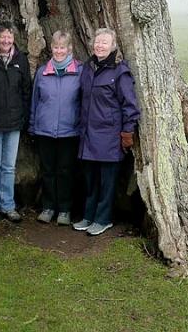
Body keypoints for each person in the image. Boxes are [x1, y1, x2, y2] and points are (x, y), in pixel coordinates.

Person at [73, 28, 140, 236]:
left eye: (104, 42)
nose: (99, 45)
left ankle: (103, 219)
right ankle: (89, 216)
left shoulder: (120, 72)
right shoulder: (88, 68)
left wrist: (127, 133)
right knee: (90, 180)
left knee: (107, 182)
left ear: (113, 47)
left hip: (109, 137)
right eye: (97, 41)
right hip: (87, 135)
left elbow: (130, 105)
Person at [29, 31, 82, 226]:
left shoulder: (79, 72)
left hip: (69, 132)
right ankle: (48, 207)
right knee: (48, 171)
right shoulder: (43, 72)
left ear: (69, 49)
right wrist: (33, 126)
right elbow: (35, 101)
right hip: (45, 131)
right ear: (51, 48)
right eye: (56, 47)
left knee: (65, 171)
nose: (59, 51)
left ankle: (65, 210)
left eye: (63, 47)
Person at [0, 21, 31, 223]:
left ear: (14, 39)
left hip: (14, 122)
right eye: (3, 36)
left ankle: (8, 205)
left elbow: (26, 91)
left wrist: (25, 118)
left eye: (9, 37)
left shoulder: (21, 60)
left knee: (9, 166)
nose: (6, 40)